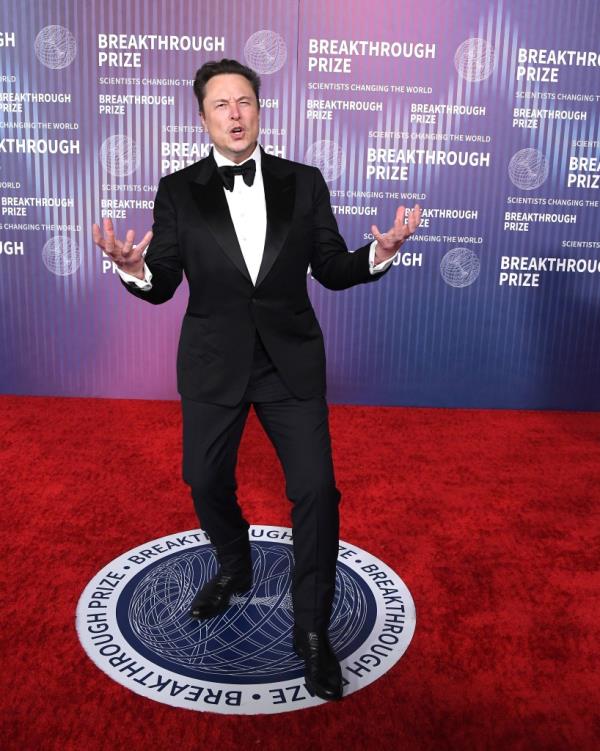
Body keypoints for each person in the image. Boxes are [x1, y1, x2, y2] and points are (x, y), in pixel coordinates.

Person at [93, 58, 421, 701]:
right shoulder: (178, 189)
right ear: (202, 116)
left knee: (318, 493)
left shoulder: (305, 181)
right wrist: (132, 267)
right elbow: (161, 285)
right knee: (204, 479)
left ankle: (312, 634)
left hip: (288, 362)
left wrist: (377, 254)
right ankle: (234, 565)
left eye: (245, 101)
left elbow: (329, 267)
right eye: (221, 104)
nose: (235, 114)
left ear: (260, 109)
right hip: (214, 362)